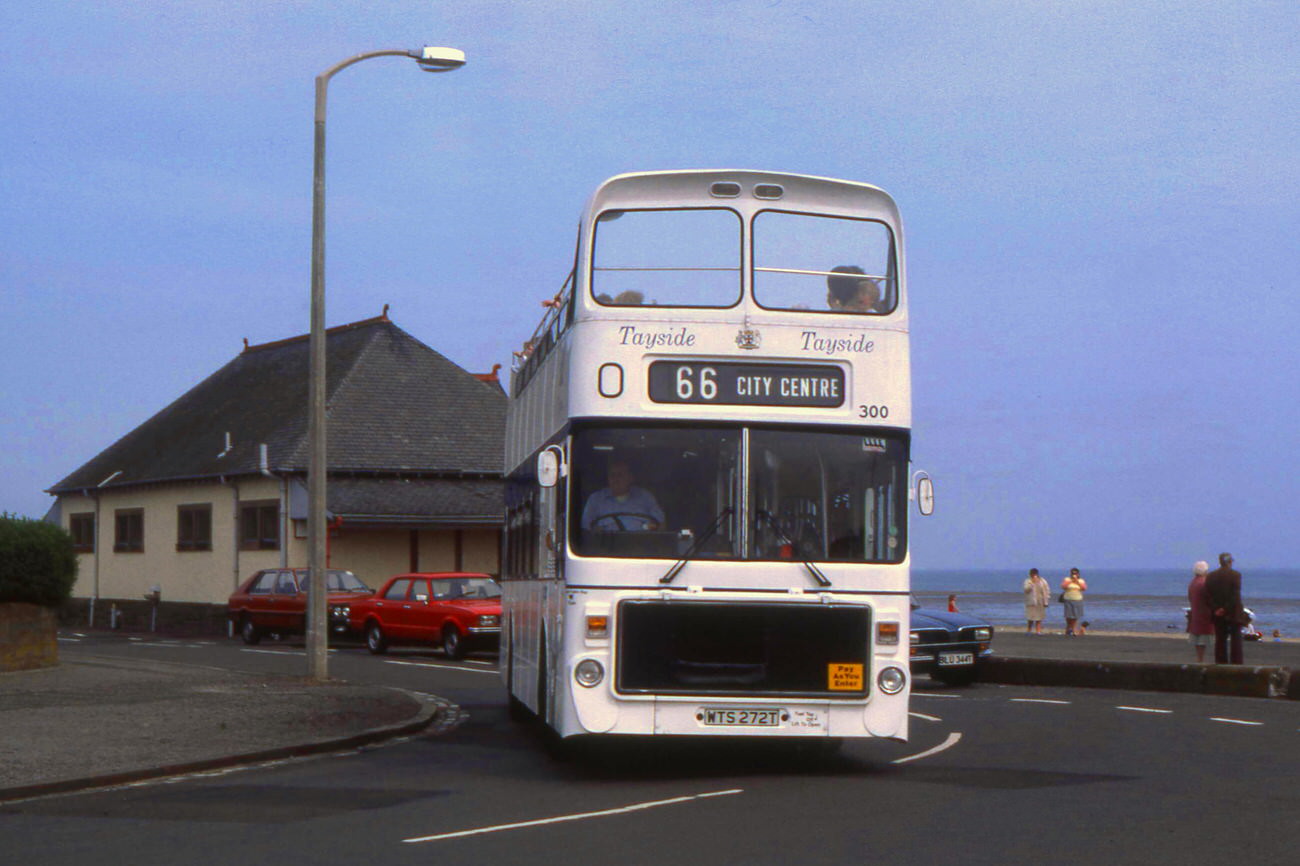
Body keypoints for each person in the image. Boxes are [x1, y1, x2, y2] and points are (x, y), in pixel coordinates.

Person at [580, 458, 664, 531]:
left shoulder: (645, 497)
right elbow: (586, 529)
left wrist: (652, 527)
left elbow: (661, 525)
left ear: (630, 478)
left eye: (620, 475)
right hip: (605, 547)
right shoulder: (595, 499)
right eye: (612, 475)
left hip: (640, 546)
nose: (616, 479)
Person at [1205, 552, 1245, 664]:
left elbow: (1208, 595)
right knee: (1236, 641)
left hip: (1217, 614)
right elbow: (1235, 596)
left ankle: (1221, 663)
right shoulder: (1235, 575)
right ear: (1230, 562)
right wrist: (1226, 609)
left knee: (1220, 641)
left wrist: (1216, 608)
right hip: (1233, 613)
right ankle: (1236, 664)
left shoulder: (1211, 576)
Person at [1186, 560, 1214, 663]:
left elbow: (1190, 597)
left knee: (1198, 639)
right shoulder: (1204, 583)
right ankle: (1200, 660)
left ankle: (1199, 659)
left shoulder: (1193, 582)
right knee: (1203, 639)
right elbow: (1210, 598)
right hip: (1205, 615)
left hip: (1196, 613)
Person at [1023, 568, 1051, 635]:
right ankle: (1029, 631)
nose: (1034, 575)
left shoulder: (1043, 581)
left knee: (1039, 617)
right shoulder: (1028, 581)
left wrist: (1046, 601)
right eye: (1032, 574)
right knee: (1030, 617)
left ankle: (1038, 631)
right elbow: (1026, 590)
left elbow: (1047, 590)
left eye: (1035, 574)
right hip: (1031, 601)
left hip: (1040, 601)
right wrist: (1032, 583)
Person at [1061, 568, 1087, 636]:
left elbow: (1084, 588)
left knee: (1075, 616)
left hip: (1077, 599)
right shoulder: (1067, 579)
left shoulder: (1081, 580)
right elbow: (1063, 586)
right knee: (1068, 616)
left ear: (1078, 574)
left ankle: (1073, 629)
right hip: (1068, 599)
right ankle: (1068, 629)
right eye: (1073, 573)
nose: (1074, 575)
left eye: (1075, 573)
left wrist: (1077, 582)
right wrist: (1071, 581)